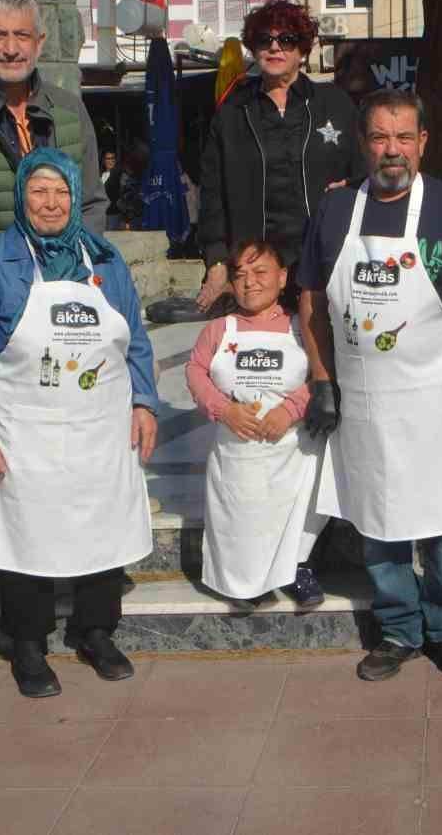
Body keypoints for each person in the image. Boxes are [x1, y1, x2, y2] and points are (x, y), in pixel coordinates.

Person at [300, 89, 442, 684]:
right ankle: (397, 629)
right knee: (377, 518)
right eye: (382, 138)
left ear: (424, 143)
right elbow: (311, 300)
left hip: (438, 397)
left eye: (404, 137)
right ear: (364, 144)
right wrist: (321, 379)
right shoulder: (335, 212)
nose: (394, 150)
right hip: (364, 401)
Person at [0, 148, 159, 699]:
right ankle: (26, 644)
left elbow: (135, 340)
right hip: (25, 429)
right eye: (38, 191)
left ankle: (95, 631)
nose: (50, 203)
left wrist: (144, 401)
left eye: (61, 191)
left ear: (76, 197)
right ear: (22, 196)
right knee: (25, 531)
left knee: (101, 523)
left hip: (99, 426)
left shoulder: (106, 261)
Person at [197, 0, 364, 315]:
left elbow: (364, 172)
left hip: (323, 257)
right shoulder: (232, 112)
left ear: (302, 51)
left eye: (286, 40)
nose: (275, 47)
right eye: (265, 40)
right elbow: (212, 195)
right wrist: (217, 261)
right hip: (255, 265)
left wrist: (350, 190)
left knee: (321, 355)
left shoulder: (335, 103)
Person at [186, 239, 328, 609]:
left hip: (293, 449)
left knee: (301, 506)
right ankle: (243, 581)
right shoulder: (219, 330)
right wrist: (223, 408)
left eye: (260, 272)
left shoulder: (304, 326)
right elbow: (196, 371)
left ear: (283, 278)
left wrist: (291, 410)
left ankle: (296, 566)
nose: (250, 282)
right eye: (240, 275)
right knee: (240, 512)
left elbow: (321, 374)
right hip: (237, 449)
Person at [0, 0, 106, 231]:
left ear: (39, 43)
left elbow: (91, 203)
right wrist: (18, 263)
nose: (11, 49)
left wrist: (71, 261)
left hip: (69, 265)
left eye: (22, 35)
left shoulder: (70, 109)